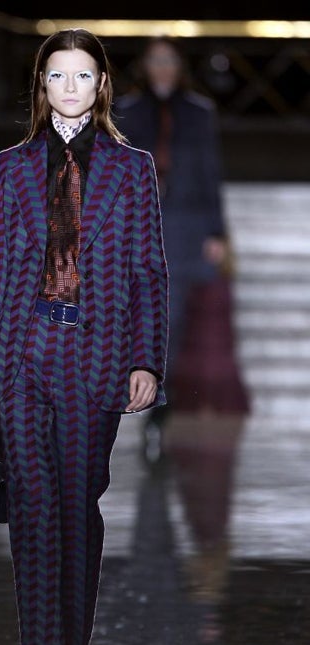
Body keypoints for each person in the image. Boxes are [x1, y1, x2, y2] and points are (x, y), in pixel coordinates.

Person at [0, 28, 168, 645]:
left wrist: (147, 360)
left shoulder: (132, 169)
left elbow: (148, 271)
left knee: (77, 506)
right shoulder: (10, 168)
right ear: (41, 85)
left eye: (84, 75)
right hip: (26, 351)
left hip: (98, 353)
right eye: (58, 75)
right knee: (33, 508)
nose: (71, 88)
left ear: (102, 85)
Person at [114, 36, 249, 460]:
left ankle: (158, 410)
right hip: (139, 229)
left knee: (172, 322)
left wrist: (217, 233)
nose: (162, 67)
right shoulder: (126, 111)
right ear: (144, 64)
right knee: (143, 318)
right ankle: (148, 401)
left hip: (186, 230)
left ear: (180, 65)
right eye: (155, 59)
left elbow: (211, 171)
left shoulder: (199, 113)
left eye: (169, 59)